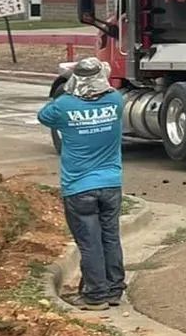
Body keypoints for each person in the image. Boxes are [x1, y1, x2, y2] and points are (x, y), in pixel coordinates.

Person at [37, 57, 126, 309]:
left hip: (79, 186)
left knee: (89, 243)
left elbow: (43, 115)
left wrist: (68, 85)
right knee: (110, 237)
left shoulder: (64, 106)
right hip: (111, 184)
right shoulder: (116, 100)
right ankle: (114, 289)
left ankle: (95, 295)